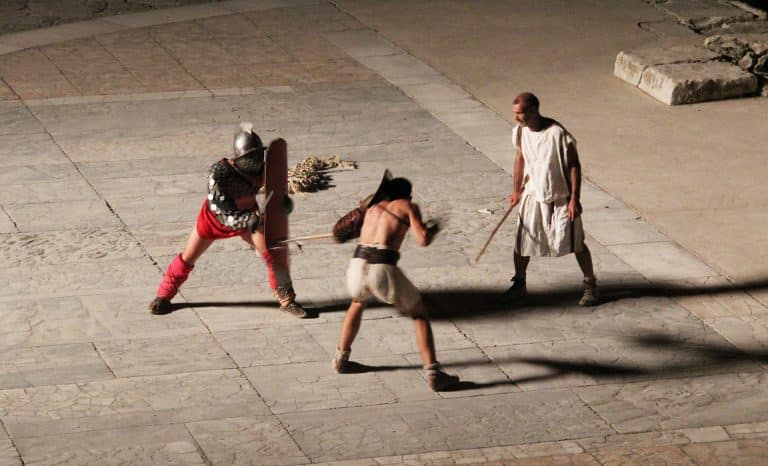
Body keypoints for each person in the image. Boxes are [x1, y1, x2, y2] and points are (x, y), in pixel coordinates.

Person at [148, 123, 307, 318]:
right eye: (251, 157)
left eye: (258, 156)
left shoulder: (262, 170)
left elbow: (275, 192)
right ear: (239, 158)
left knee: (271, 253)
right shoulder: (219, 174)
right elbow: (222, 212)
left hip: (250, 217)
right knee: (187, 257)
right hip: (214, 221)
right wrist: (250, 219)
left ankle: (287, 300)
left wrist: (281, 204)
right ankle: (163, 296)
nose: (256, 162)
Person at [331, 173, 460, 391]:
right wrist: (432, 229)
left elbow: (354, 232)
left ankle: (341, 359)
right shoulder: (407, 206)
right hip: (382, 267)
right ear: (407, 195)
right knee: (419, 314)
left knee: (357, 303)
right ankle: (434, 373)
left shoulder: (373, 209)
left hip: (356, 266)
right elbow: (423, 240)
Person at [505, 92, 599, 306]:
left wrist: (575, 199)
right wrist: (516, 190)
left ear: (533, 111)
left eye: (519, 113)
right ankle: (519, 283)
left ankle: (591, 284)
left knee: (576, 243)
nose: (516, 118)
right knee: (522, 242)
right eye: (515, 113)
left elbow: (574, 166)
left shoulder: (557, 134)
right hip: (532, 194)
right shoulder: (520, 132)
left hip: (560, 197)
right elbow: (520, 158)